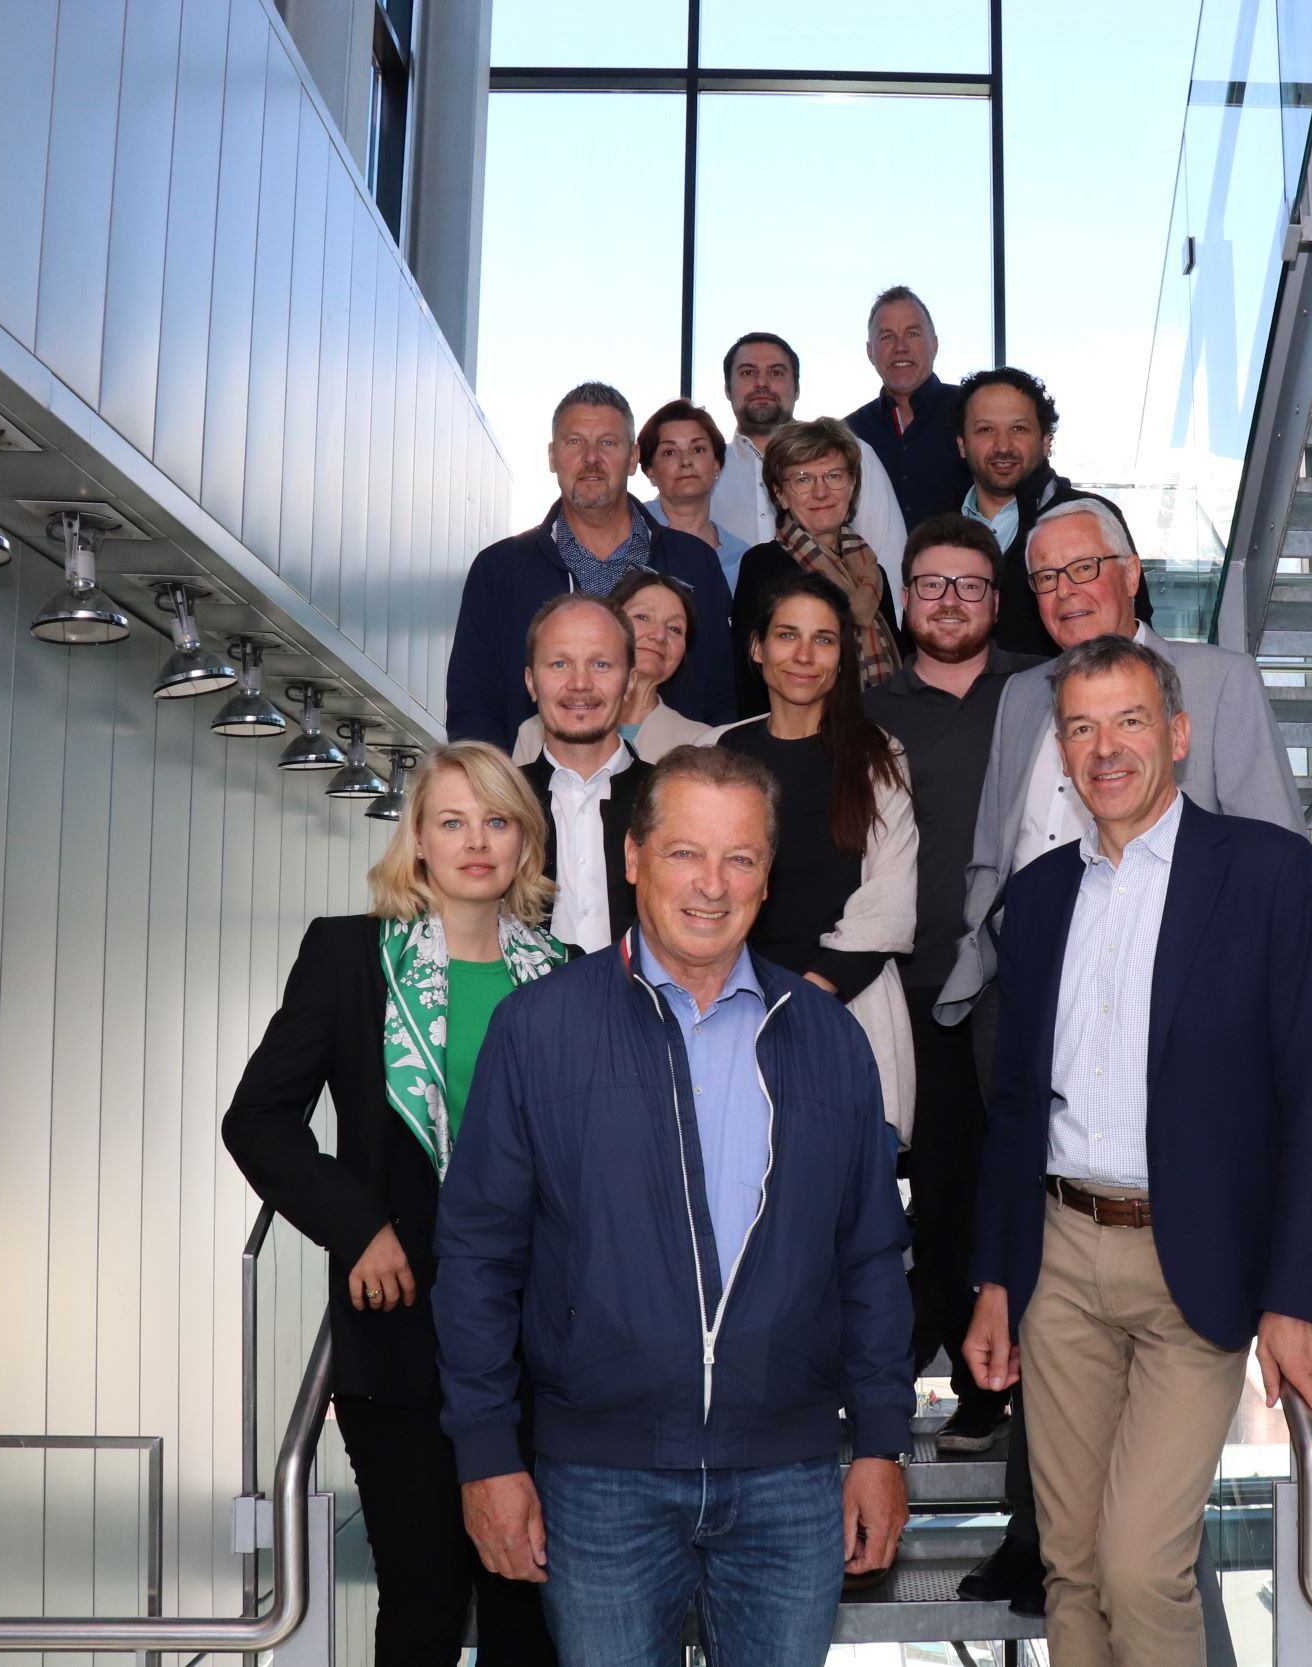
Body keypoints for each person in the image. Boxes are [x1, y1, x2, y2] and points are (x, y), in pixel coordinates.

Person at [432, 746, 915, 1667]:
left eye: (740, 857)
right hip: (600, 1479)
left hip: (790, 1477)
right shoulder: (540, 1029)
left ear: (767, 875)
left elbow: (869, 1258)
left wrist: (882, 1443)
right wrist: (488, 1454)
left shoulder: (829, 1042)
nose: (711, 883)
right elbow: (480, 1258)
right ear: (632, 857)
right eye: (685, 852)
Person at [942, 494, 1303, 1617]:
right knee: (1075, 1565)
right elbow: (1001, 851)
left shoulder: (1224, 712)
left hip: (1187, 1178)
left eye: (1083, 568)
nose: (1065, 591)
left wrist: (1298, 1283)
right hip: (1048, 1132)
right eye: (1042, 579)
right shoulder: (1022, 729)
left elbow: (1302, 1064)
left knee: (1142, 1565)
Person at [222, 742, 569, 1667]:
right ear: (416, 839)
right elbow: (257, 1120)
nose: (476, 840)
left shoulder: (571, 976)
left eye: (498, 820)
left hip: (545, 1346)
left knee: (530, 1615)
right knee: (421, 1608)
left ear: (526, 841)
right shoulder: (348, 956)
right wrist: (359, 1225)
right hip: (400, 1333)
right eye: (452, 820)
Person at [862, 515, 1040, 1454]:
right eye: (930, 584)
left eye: (969, 585)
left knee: (1012, 1197)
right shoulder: (870, 712)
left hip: (1023, 993)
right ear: (904, 598)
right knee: (936, 1202)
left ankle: (994, 1395)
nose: (949, 601)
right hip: (910, 990)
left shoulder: (1040, 695)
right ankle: (932, 1388)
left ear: (996, 599)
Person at [717, 570, 919, 1143]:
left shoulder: (879, 756)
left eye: (824, 639)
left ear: (842, 657)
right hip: (727, 1017)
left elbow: (888, 904)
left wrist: (799, 999)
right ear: (757, 647)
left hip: (845, 1013)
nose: (804, 655)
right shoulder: (716, 751)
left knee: (849, 1220)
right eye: (786, 635)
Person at [447, 382, 736, 747]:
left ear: (633, 458)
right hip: (533, 798)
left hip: (669, 792)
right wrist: (498, 799)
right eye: (575, 442)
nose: (591, 458)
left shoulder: (693, 563)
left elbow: (724, 696)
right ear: (552, 456)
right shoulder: (500, 570)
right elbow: (473, 707)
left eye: (608, 443)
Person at [950, 368, 1146, 654]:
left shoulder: (1090, 519)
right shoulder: (938, 528)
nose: (1003, 446)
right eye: (985, 430)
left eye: (1018, 429)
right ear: (961, 445)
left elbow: (1136, 626)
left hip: (1064, 693)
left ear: (1046, 441)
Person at [710, 331, 907, 602]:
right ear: (727, 388)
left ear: (798, 388)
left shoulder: (854, 455)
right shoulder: (708, 473)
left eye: (777, 373)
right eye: (747, 372)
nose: (762, 383)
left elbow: (891, 559)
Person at [729, 418, 907, 716]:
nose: (821, 492)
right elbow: (749, 675)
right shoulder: (763, 566)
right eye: (802, 479)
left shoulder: (872, 571)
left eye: (834, 476)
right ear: (780, 494)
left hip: (880, 729)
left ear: (852, 485)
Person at [510, 594, 649, 955]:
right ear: (531, 681)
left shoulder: (672, 799)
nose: (580, 684)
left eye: (601, 664)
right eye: (559, 664)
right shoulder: (497, 800)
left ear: (630, 681)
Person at [846, 287, 967, 528]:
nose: (900, 347)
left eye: (912, 334)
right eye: (887, 337)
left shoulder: (973, 411)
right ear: (870, 352)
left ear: (934, 344)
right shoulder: (849, 433)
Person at [636, 398, 754, 596]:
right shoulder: (628, 530)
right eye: (670, 452)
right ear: (650, 471)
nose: (686, 461)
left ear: (717, 464)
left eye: (698, 449)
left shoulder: (742, 558)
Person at [608, 568, 716, 761]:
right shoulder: (548, 729)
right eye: (642, 617)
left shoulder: (701, 743)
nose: (659, 635)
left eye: (674, 628)